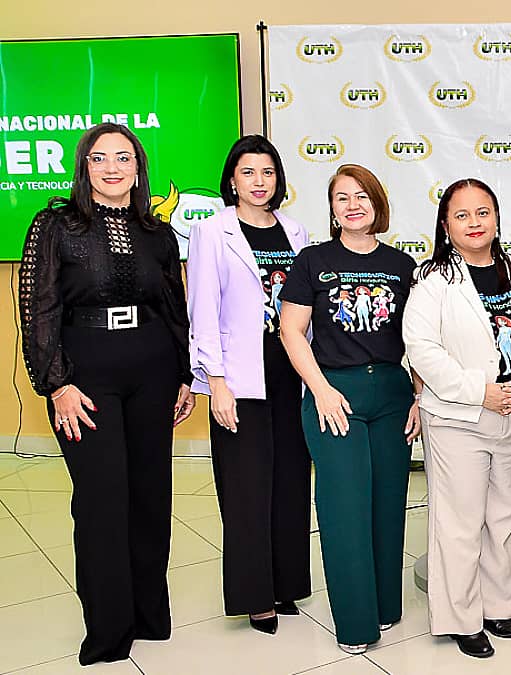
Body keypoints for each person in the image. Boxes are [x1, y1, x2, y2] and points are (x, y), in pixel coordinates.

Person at [18, 123, 195, 665]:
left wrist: (184, 375)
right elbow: (39, 308)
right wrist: (56, 384)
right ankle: (109, 630)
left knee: (150, 497)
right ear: (84, 167)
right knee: (101, 501)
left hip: (153, 370)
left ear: (138, 167)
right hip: (85, 376)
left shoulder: (157, 231)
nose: (112, 167)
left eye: (123, 157)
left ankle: (148, 615)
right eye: (99, 158)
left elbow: (174, 306)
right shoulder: (56, 225)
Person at [404, 178, 511, 658]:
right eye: (462, 215)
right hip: (458, 420)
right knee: (460, 523)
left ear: (496, 218)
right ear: (446, 225)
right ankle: (460, 618)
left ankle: (498, 607)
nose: (474, 223)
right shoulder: (431, 280)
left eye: (483, 212)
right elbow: (422, 349)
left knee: (505, 518)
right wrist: (480, 392)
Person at [278, 164, 421, 654]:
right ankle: (356, 625)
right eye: (342, 197)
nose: (353, 205)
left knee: (388, 505)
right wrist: (319, 389)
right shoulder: (312, 261)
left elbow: (418, 339)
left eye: (362, 195)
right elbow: (291, 331)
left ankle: (385, 607)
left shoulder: (402, 265)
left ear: (377, 203)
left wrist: (419, 396)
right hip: (334, 393)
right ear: (332, 209)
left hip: (392, 394)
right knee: (344, 509)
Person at [186, 134, 311, 634]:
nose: (259, 182)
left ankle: (285, 585)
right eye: (248, 172)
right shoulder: (211, 231)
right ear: (232, 181)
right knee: (245, 488)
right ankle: (255, 597)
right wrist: (215, 381)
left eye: (267, 172)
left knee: (290, 482)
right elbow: (202, 310)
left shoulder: (296, 231)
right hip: (239, 374)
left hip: (291, 370)